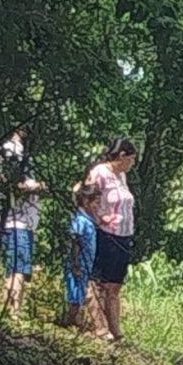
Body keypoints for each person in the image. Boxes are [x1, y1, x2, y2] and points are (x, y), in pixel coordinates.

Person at [83, 138, 138, 341]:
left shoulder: (121, 175)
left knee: (114, 284)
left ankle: (115, 329)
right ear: (121, 156)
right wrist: (98, 219)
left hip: (124, 235)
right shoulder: (100, 173)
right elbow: (85, 196)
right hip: (105, 233)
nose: (131, 164)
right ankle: (100, 327)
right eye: (131, 159)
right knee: (97, 281)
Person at [0, 128, 42, 318]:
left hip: (24, 221)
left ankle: (9, 308)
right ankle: (12, 311)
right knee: (17, 267)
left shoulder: (21, 151)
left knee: (15, 266)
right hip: (16, 221)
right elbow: (8, 183)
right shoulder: (10, 150)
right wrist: (36, 187)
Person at [63, 182, 100, 331]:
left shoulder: (89, 222)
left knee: (81, 292)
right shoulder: (79, 221)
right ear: (86, 201)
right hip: (77, 264)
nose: (98, 206)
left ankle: (76, 320)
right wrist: (74, 263)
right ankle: (70, 322)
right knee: (74, 294)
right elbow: (74, 242)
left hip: (85, 265)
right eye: (96, 202)